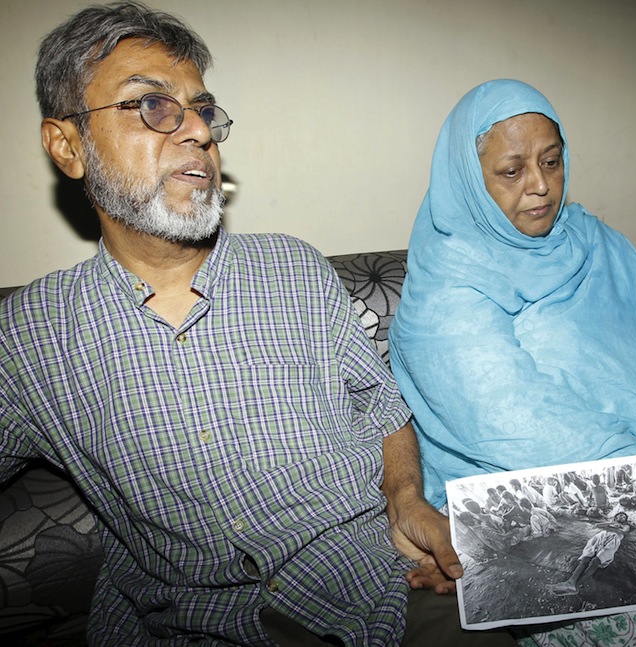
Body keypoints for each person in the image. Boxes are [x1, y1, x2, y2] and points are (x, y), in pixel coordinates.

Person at [0, 5, 519, 645]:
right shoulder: (28, 339)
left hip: (379, 593)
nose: (197, 130)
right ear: (68, 146)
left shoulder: (292, 267)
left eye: (202, 109)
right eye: (153, 107)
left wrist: (406, 500)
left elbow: (383, 406)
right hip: (188, 625)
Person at [389, 79, 636, 643]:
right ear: (468, 178)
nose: (540, 187)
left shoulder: (593, 240)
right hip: (557, 504)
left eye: (552, 161)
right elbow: (516, 422)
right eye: (511, 171)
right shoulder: (446, 289)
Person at [550, 512, 633, 596]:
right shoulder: (611, 523)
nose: (622, 517)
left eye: (624, 516)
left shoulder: (626, 526)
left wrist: (614, 526)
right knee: (585, 558)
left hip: (613, 538)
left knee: (595, 561)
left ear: (626, 520)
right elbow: (597, 525)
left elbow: (624, 531)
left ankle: (576, 585)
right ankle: (570, 582)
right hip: (600, 536)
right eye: (620, 515)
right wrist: (612, 523)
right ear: (615, 517)